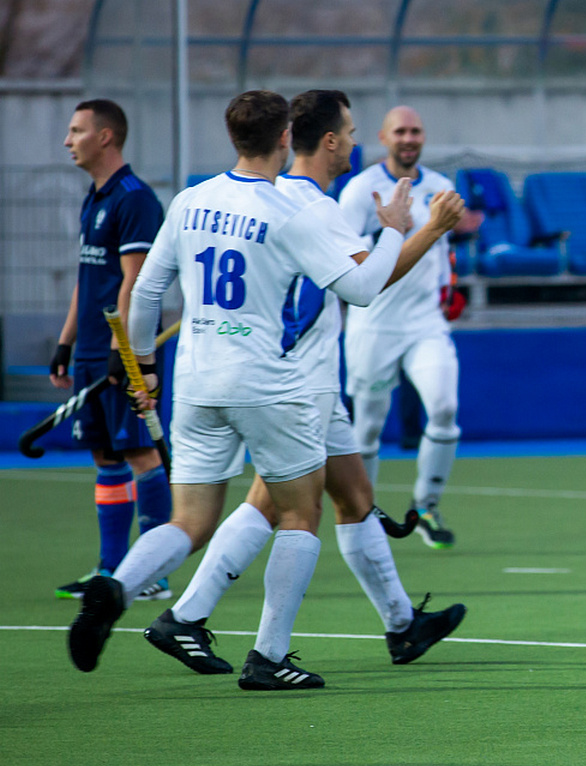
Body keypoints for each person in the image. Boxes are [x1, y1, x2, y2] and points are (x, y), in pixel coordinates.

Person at [66, 90, 426, 690]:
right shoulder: (291, 212)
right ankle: (269, 657)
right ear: (286, 138)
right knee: (299, 512)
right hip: (264, 383)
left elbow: (145, 294)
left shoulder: (191, 199)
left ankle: (116, 587)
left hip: (197, 381)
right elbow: (362, 288)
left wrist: (145, 369)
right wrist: (392, 230)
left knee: (188, 520)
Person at [142, 89, 467, 676]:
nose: (360, 139)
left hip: (308, 372)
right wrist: (430, 229)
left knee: (355, 498)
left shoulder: (288, 194)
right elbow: (371, 283)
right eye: (352, 129)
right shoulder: (311, 205)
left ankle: (401, 625)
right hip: (300, 376)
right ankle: (192, 618)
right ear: (329, 140)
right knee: (276, 504)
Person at [51, 99, 173, 602]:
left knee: (142, 454)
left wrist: (123, 351)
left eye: (76, 130)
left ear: (105, 137)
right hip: (93, 350)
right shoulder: (93, 198)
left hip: (122, 349)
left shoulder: (134, 199)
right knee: (106, 457)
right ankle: (110, 569)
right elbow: (88, 279)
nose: (67, 140)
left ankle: (152, 572)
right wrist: (66, 341)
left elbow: (135, 281)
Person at [339, 106, 462, 549]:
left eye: (416, 131)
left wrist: (451, 288)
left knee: (445, 409)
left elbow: (443, 251)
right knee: (368, 427)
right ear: (383, 137)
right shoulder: (360, 191)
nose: (409, 138)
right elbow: (340, 257)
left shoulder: (441, 187)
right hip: (373, 324)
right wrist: (388, 234)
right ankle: (362, 513)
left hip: (425, 322)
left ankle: (427, 505)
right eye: (400, 132)